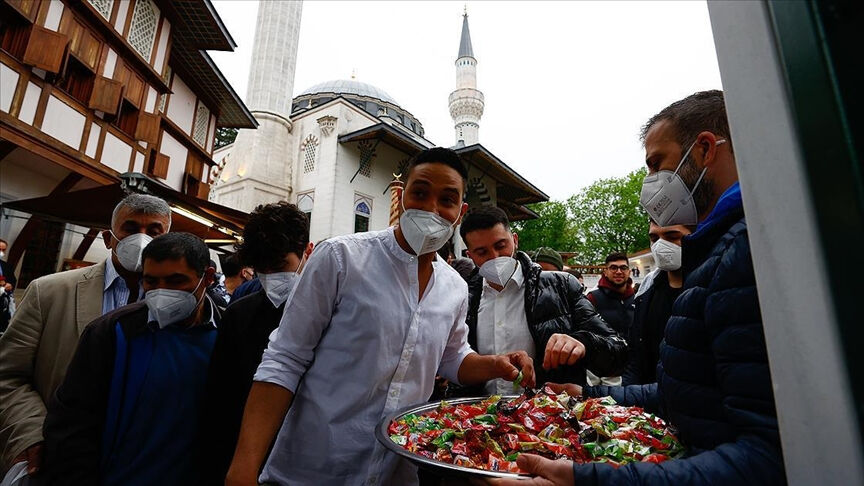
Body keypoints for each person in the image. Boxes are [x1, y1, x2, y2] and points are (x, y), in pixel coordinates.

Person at [496, 90, 785, 485]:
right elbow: (680, 396)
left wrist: (588, 480)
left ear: (704, 150)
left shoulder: (742, 250)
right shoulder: (716, 252)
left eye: (656, 164)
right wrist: (588, 398)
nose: (650, 182)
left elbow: (768, 454)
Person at [225, 147, 536, 486]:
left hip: (396, 471)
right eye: (420, 193)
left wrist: (495, 363)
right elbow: (284, 360)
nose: (431, 209)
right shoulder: (341, 259)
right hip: (312, 470)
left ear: (459, 212)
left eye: (446, 200)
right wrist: (243, 467)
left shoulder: (454, 288)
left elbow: (452, 357)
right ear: (402, 197)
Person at [0, 194, 171, 476]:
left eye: (154, 231)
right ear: (108, 238)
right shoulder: (49, 292)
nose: (141, 240)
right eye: (130, 228)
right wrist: (32, 434)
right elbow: (8, 375)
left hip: (138, 462)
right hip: (58, 456)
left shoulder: (180, 304)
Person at [41, 232, 218, 485]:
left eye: (175, 280)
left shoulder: (228, 335)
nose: (161, 292)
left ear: (208, 277)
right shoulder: (112, 332)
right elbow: (72, 422)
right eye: (151, 282)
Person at [198, 202, 311, 485]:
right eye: (263, 268)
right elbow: (220, 398)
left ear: (306, 254)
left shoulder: (328, 313)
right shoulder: (240, 313)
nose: (272, 278)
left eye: (281, 266)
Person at [458, 206, 627, 395]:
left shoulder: (560, 286)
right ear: (470, 255)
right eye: (482, 252)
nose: (495, 257)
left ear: (515, 240)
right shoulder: (462, 296)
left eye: (500, 246)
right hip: (479, 417)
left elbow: (618, 353)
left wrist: (584, 343)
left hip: (548, 416)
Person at [621, 222, 693, 386]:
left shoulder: (711, 286)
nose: (661, 245)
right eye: (654, 238)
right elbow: (636, 357)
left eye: (672, 237)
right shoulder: (647, 290)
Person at [585, 252, 636, 385]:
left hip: (633, 368)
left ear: (629, 271)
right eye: (613, 268)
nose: (619, 272)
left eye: (623, 268)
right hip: (602, 371)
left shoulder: (638, 298)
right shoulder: (592, 298)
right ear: (605, 271)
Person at [0, 238, 16, 333]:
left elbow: (12, 280)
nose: (1, 252)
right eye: (0, 249)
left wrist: (10, 284)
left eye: (3, 250)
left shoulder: (6, 266)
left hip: (2, 302)